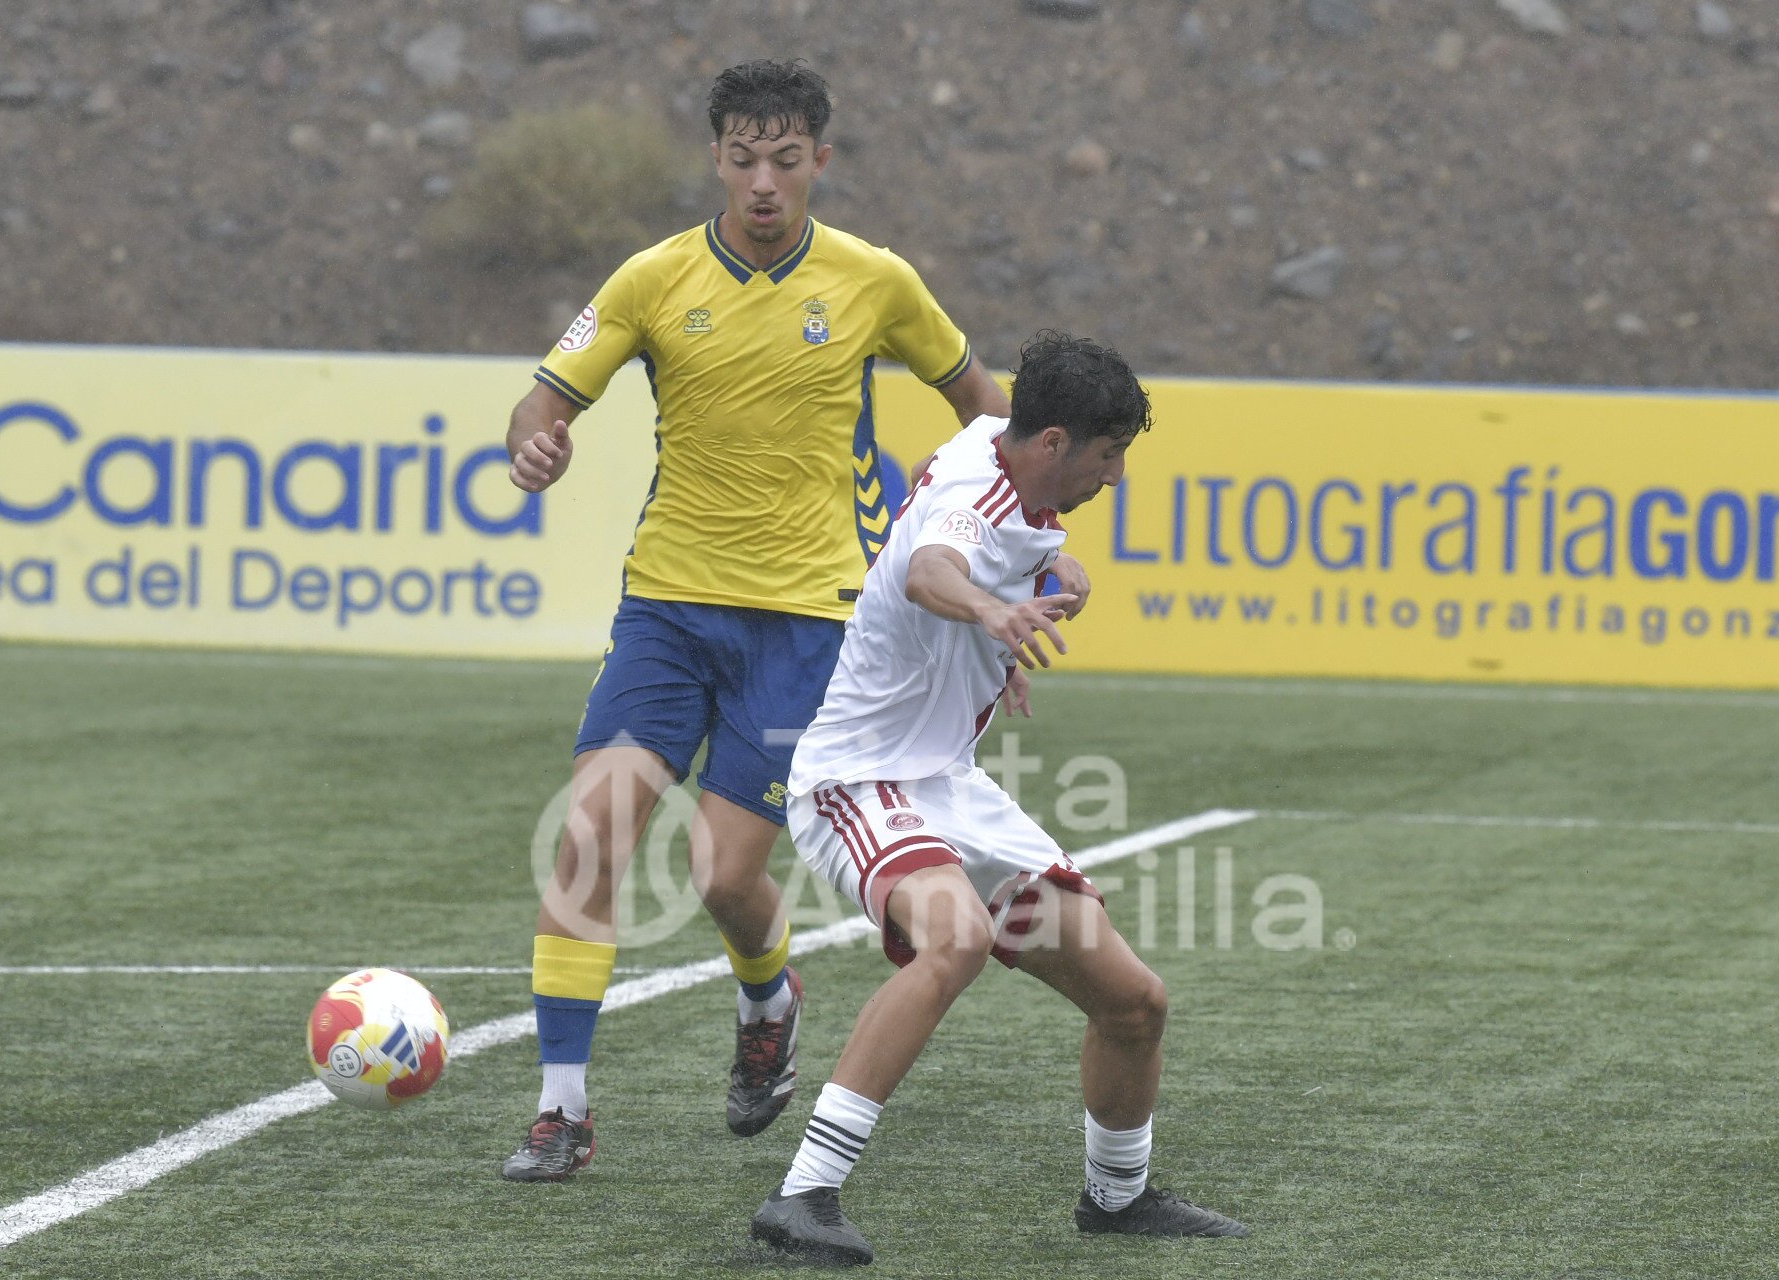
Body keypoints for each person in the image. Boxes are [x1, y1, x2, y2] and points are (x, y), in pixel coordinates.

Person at [496, 59, 1047, 1180]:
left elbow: (985, 413)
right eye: (743, 159)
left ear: (819, 163)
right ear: (716, 159)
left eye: (785, 161)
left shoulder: (875, 281)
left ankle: (768, 997)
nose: (762, 182)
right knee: (593, 830)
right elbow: (543, 399)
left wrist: (1015, 550)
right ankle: (562, 1112)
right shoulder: (653, 278)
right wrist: (535, 443)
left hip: (808, 626)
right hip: (668, 607)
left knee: (722, 874)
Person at [749, 332, 1248, 1264]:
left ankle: (1117, 1197)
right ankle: (803, 1194)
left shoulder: (997, 439)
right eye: (1110, 455)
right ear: (1054, 441)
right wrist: (993, 612)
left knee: (1134, 1001)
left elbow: (966, 525)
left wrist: (1029, 594)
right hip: (861, 779)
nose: (1118, 475)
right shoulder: (972, 494)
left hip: (949, 785)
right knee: (959, 939)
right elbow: (930, 566)